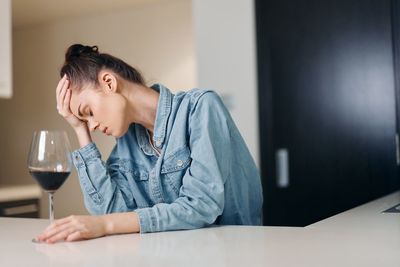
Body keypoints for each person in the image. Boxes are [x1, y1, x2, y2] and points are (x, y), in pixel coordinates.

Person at [36, 44, 263, 243]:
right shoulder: (126, 145)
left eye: (88, 112)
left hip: (234, 253)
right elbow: (112, 211)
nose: (92, 125)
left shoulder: (200, 108)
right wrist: (79, 128)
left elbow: (200, 206)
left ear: (108, 82)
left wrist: (105, 225)